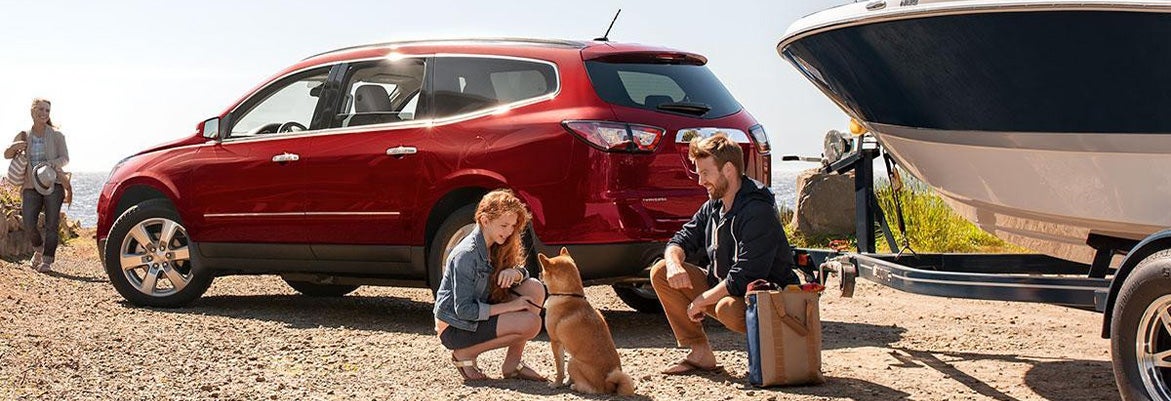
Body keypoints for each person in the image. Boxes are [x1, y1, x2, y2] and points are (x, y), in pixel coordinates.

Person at [651, 133, 799, 375]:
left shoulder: (757, 211)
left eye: (705, 173)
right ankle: (699, 353)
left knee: (726, 308)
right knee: (661, 271)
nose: (700, 181)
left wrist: (701, 300)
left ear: (728, 169)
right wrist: (674, 263)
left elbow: (745, 275)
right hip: (726, 289)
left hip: (768, 300)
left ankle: (770, 356)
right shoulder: (714, 206)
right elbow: (680, 240)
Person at [433, 189, 548, 382]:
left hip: (478, 313)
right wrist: (511, 307)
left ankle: (513, 364)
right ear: (485, 221)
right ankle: (464, 355)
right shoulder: (467, 255)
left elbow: (524, 274)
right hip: (456, 328)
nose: (509, 231)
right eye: (504, 225)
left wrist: (515, 273)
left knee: (535, 288)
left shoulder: (497, 243)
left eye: (512, 226)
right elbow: (463, 310)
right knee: (532, 323)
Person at [4, 98, 69, 273]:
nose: (44, 113)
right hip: (30, 186)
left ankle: (47, 260)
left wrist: (52, 164)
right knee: (28, 221)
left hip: (52, 184)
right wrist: (15, 146)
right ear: (33, 111)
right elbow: (7, 154)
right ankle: (38, 250)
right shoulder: (24, 134)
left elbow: (65, 158)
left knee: (51, 224)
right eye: (40, 109)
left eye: (47, 110)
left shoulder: (57, 135)